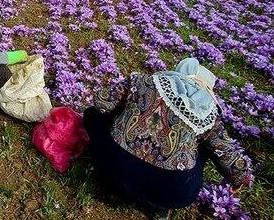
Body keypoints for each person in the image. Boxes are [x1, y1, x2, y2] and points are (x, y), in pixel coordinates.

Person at [83, 58, 252, 219]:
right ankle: (159, 207)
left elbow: (101, 102)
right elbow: (227, 155)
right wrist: (241, 178)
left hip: (111, 167)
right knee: (206, 146)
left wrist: (125, 112)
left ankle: (109, 179)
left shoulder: (141, 81)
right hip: (171, 193)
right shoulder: (208, 114)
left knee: (93, 114)